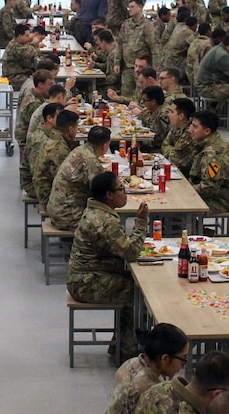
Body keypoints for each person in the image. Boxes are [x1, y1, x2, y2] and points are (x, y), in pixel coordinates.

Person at [68, 171, 149, 361]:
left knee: (132, 284)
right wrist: (141, 222)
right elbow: (131, 253)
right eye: (121, 189)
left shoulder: (95, 211)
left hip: (83, 275)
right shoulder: (106, 222)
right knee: (137, 292)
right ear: (109, 195)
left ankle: (120, 344)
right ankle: (127, 351)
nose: (125, 192)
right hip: (85, 283)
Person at [48, 125, 111, 231]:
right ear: (104, 146)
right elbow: (101, 193)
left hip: (56, 208)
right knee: (108, 221)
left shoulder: (79, 150)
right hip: (68, 216)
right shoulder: (91, 161)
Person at [186, 109, 229, 215]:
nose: (190, 130)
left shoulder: (213, 153)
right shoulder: (207, 143)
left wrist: (186, 190)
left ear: (207, 131)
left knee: (181, 206)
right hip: (215, 194)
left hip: (221, 200)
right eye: (191, 125)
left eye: (195, 127)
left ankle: (194, 231)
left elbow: (209, 188)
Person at [196, 33, 229, 133]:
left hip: (208, 83)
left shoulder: (218, 49)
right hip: (207, 87)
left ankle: (228, 118)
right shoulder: (222, 55)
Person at [33, 109, 80, 209]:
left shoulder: (54, 137)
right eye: (77, 127)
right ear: (71, 129)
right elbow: (65, 179)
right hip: (49, 197)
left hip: (45, 188)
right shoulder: (60, 149)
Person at [163, 97, 197, 171]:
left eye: (172, 112)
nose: (168, 115)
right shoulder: (176, 126)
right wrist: (172, 149)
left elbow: (175, 158)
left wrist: (171, 149)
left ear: (181, 116)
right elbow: (164, 145)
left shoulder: (190, 131)